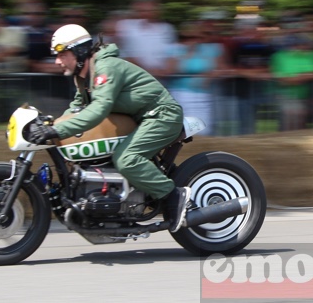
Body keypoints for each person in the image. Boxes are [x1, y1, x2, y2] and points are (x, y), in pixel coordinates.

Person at [27, 24, 191, 233]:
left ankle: (174, 196)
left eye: (61, 54)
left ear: (78, 51)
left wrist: (57, 131)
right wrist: (52, 126)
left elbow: (98, 109)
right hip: (140, 120)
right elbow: (76, 110)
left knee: (126, 158)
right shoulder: (83, 77)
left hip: (161, 115)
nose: (57, 61)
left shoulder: (105, 68)